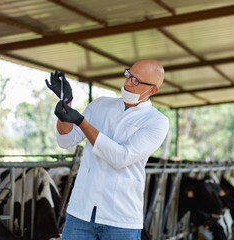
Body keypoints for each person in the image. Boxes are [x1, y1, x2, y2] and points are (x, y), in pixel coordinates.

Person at [46, 59, 169, 240]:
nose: (128, 83)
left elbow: (121, 157)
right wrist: (66, 103)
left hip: (120, 218)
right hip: (80, 212)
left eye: (136, 81)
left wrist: (81, 122)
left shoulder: (156, 121)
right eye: (129, 75)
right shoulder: (100, 105)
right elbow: (66, 140)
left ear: (153, 90)